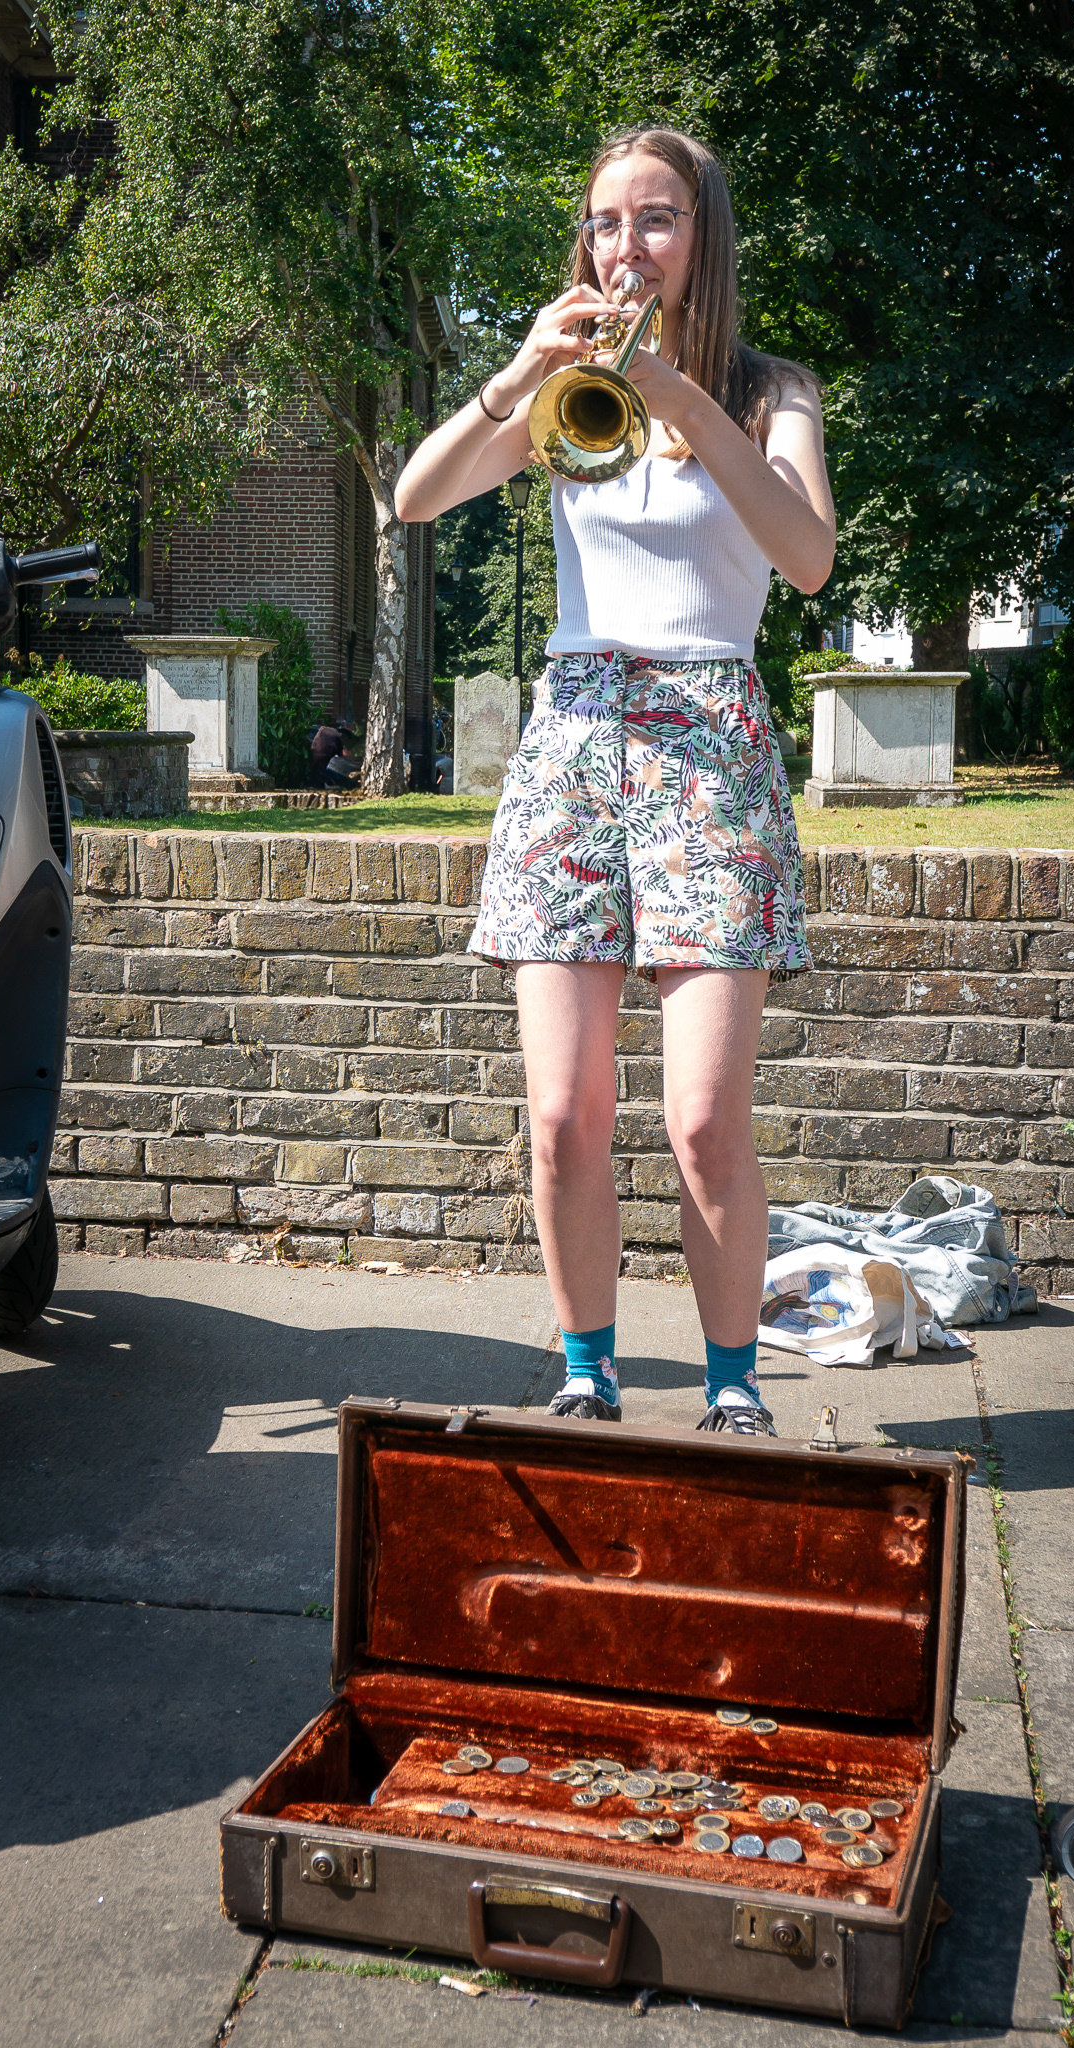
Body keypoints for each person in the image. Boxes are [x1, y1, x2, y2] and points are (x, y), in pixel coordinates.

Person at [395, 126, 835, 1438]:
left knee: (701, 1122)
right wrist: (529, 367)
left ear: (703, 236)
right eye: (603, 222)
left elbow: (807, 557)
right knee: (562, 1114)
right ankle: (587, 1373)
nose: (624, 245)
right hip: (576, 731)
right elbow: (417, 499)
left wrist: (685, 400)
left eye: (654, 218)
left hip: (711, 737)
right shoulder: (567, 390)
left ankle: (730, 1387)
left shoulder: (771, 391)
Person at [309, 717, 353, 786]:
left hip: (316, 750)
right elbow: (340, 753)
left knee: (316, 770)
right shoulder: (336, 736)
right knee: (320, 771)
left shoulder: (324, 729)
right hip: (324, 754)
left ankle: (320, 784)